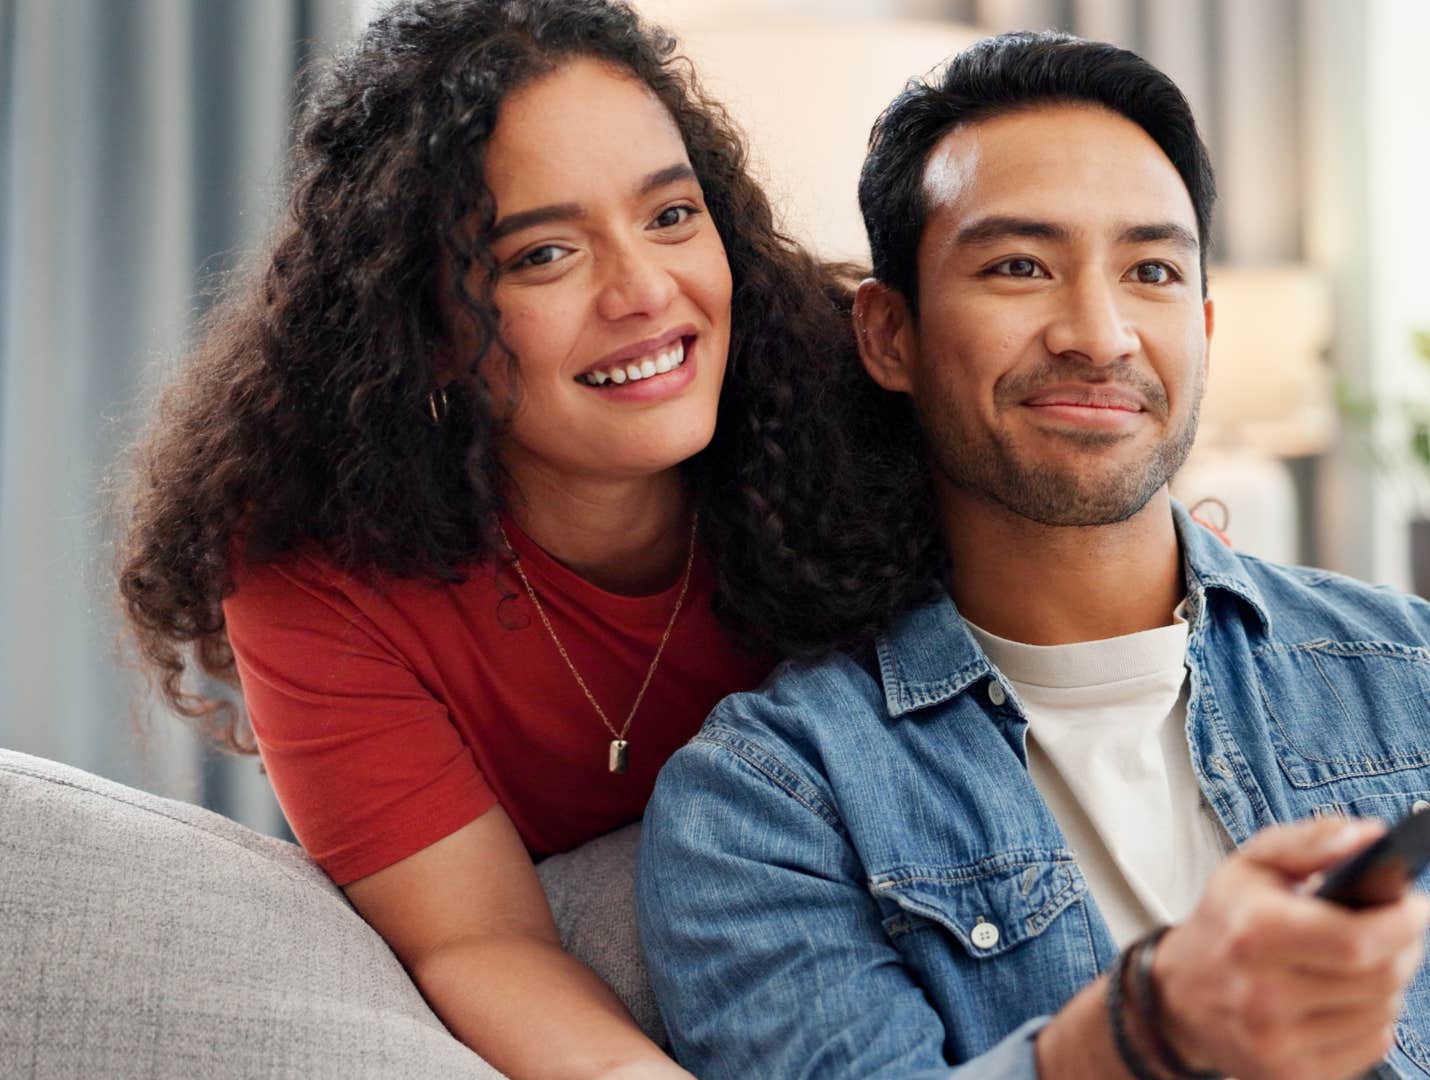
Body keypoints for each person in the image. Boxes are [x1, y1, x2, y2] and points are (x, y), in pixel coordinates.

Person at [635, 31, 1430, 1080]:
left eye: (1153, 272)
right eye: (1020, 268)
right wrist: (1145, 1029)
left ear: (1206, 333)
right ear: (891, 336)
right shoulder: (770, 803)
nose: (1101, 333)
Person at [113, 2, 891, 1076]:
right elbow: (482, 942)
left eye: (671, 217)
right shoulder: (310, 565)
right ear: (422, 331)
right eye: (545, 254)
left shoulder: (866, 421)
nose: (646, 292)